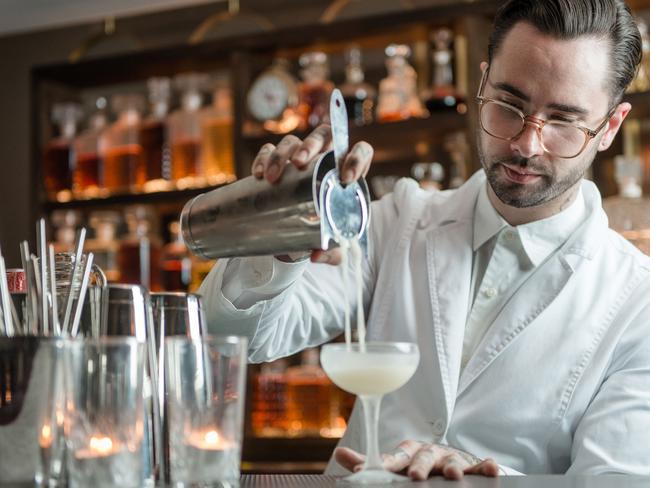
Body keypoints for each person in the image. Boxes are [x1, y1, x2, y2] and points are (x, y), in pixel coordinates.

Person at [199, 0, 650, 479]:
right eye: (509, 105)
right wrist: (280, 230)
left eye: (563, 121)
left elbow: (619, 478)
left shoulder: (638, 301)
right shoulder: (401, 220)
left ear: (610, 127)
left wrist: (490, 479)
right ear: (481, 85)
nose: (526, 144)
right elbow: (240, 340)